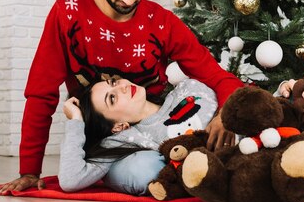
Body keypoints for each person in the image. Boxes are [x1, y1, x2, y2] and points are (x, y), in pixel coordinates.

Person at [0, 0, 243, 195]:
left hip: (162, 132)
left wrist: (226, 115)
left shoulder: (162, 22)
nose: (128, 0)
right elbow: (40, 93)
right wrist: (30, 171)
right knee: (142, 170)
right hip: (111, 144)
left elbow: (218, 78)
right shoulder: (67, 12)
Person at [58, 78, 217, 194]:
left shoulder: (187, 87)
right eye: (112, 98)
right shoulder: (126, 138)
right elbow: (70, 179)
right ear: (118, 126)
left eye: (113, 82)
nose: (122, 87)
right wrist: (76, 120)